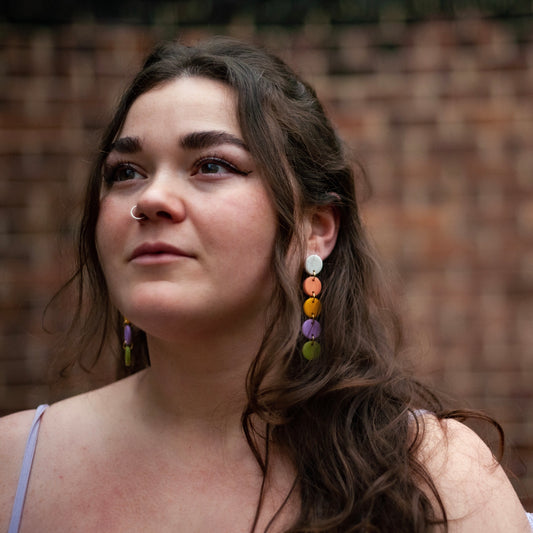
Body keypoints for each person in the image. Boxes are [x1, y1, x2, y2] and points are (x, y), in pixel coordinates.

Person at [0, 36, 531, 533]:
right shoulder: (13, 466)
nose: (151, 198)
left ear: (315, 228)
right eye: (126, 172)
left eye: (211, 165)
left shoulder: (438, 480)